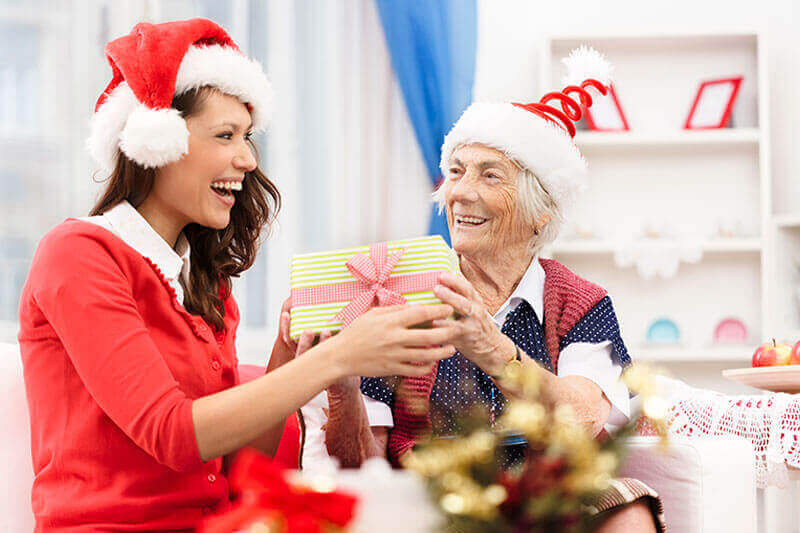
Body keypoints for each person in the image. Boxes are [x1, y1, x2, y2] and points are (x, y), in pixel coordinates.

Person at [17, 18, 456, 531]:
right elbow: (173, 435)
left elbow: (242, 465)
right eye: (225, 135)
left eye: (248, 137)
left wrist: (289, 351)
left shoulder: (204, 281)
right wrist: (341, 354)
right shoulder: (79, 254)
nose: (248, 159)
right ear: (157, 143)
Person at [322, 47, 665, 532]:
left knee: (627, 508)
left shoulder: (580, 302)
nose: (460, 192)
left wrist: (491, 349)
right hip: (431, 497)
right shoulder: (396, 291)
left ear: (541, 211)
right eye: (457, 171)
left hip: (549, 496)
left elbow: (587, 418)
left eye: (489, 175)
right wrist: (341, 384)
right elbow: (362, 463)